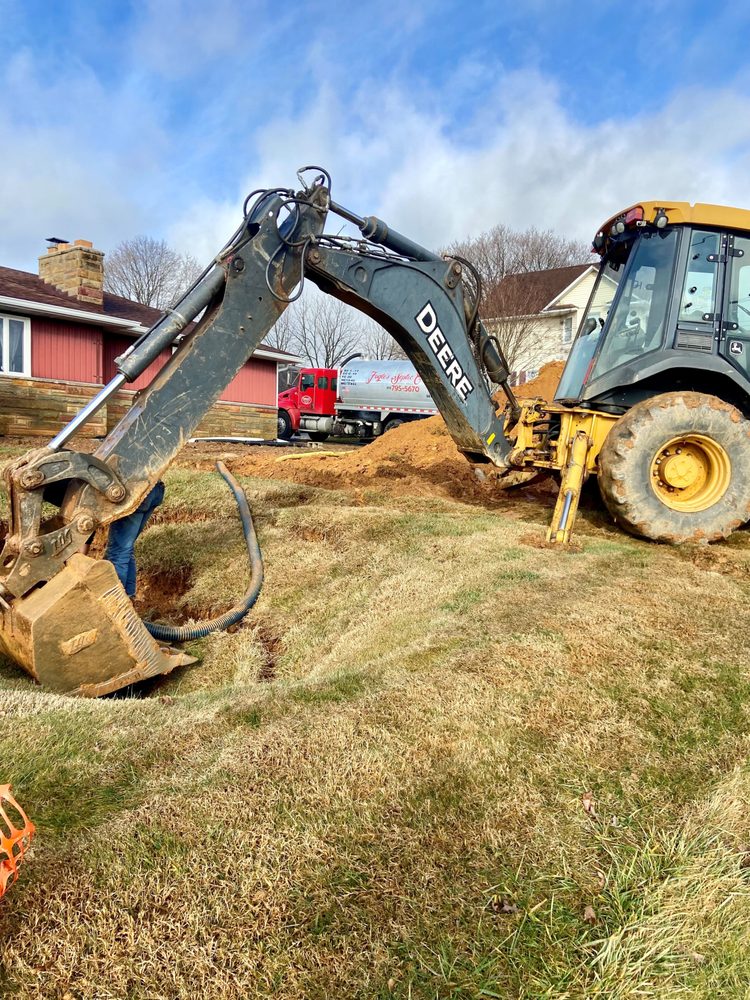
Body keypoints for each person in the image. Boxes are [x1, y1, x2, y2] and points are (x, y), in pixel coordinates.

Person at [105, 481, 165, 597]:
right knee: (126, 550)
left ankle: (117, 602)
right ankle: (129, 597)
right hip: (155, 488)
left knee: (118, 553)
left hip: (133, 491)